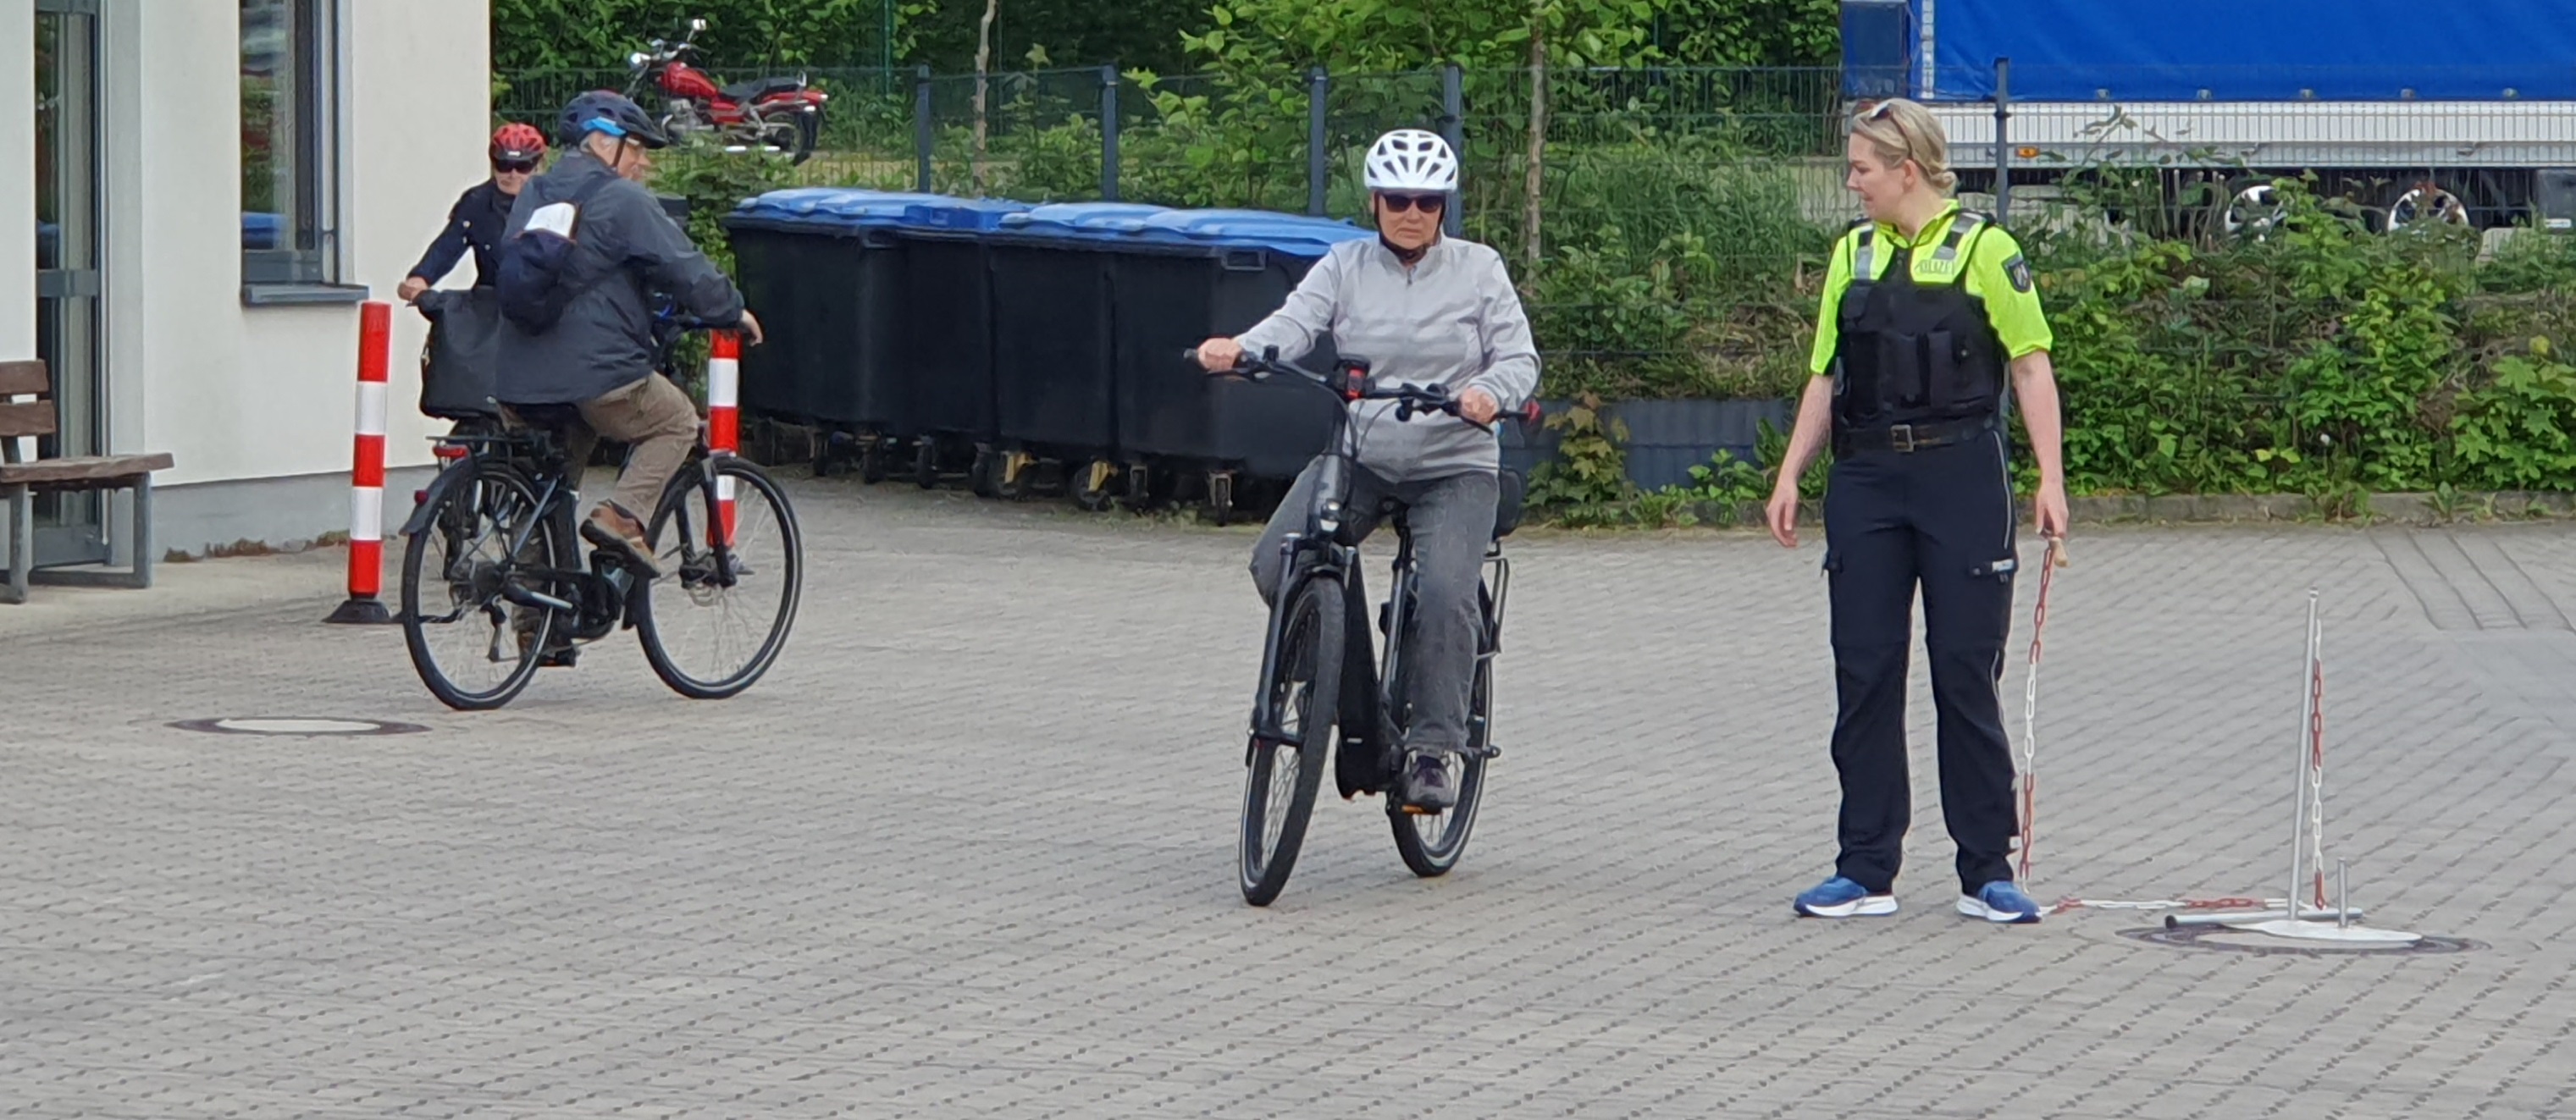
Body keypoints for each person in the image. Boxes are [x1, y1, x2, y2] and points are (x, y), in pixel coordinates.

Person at [1765, 98, 2069, 925]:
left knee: (1964, 673)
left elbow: (2032, 367)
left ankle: (1986, 871)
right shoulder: (1850, 256)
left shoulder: (1985, 251)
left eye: (1862, 167)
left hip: (1961, 479)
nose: (1852, 182)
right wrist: (1792, 471)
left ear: (1907, 168)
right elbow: (1824, 375)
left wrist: (2051, 478)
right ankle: (1864, 868)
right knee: (1864, 672)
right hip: (1866, 481)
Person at [1193, 129, 1540, 813]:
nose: (1413, 212)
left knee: (1445, 593)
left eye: (1428, 201)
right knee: (1279, 561)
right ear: (1375, 201)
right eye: (1398, 199)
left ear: (1444, 207)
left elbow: (1519, 358)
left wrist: (1489, 393)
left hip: (1455, 463)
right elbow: (1293, 326)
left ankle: (1431, 752)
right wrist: (1240, 348)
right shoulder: (1344, 265)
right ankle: (1335, 683)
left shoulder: (1479, 269)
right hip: (1361, 457)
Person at [492, 91, 763, 578]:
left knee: (545, 491)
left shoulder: (534, 192)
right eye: (636, 149)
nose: (643, 163)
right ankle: (622, 515)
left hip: (518, 375)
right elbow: (684, 267)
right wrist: (732, 310)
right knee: (677, 419)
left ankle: (542, 631)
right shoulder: (623, 199)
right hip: (599, 375)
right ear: (602, 143)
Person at [398, 124, 550, 302]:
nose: (513, 174)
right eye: (504, 165)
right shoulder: (476, 201)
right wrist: (422, 277)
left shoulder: (555, 201)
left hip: (545, 305)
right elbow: (449, 243)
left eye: (523, 166)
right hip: (491, 304)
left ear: (537, 166)